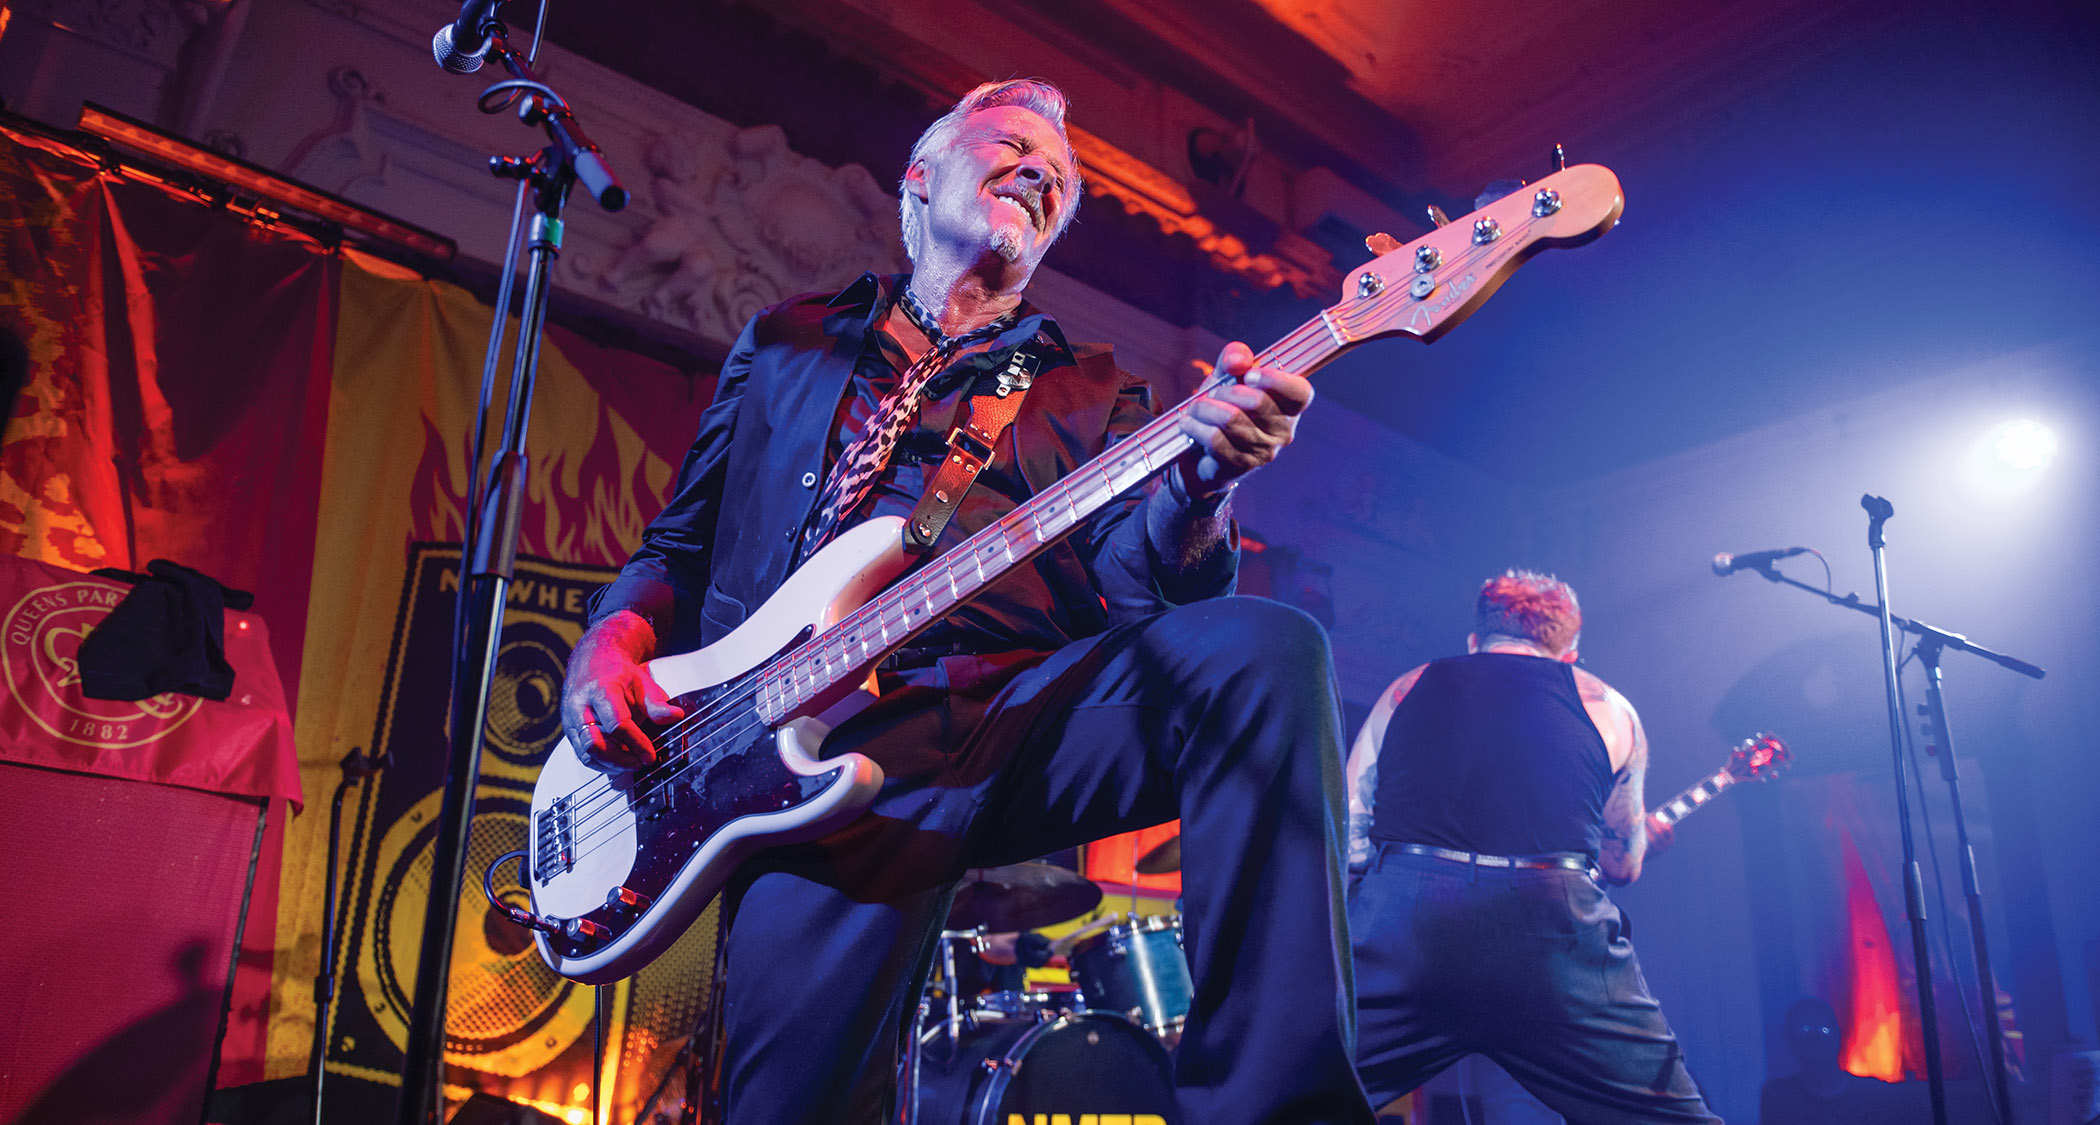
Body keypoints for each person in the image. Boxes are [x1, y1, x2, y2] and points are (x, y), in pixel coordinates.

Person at [560, 78, 1372, 1125]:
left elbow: (1140, 587)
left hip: (1002, 719)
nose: (1041, 172)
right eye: (1012, 145)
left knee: (1263, 658)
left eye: (1060, 177)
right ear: (922, 173)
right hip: (774, 750)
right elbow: (679, 542)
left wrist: (1202, 486)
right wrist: (611, 640)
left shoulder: (1092, 389)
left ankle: (1281, 1109)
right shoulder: (787, 341)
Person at [1345, 570, 1720, 1123]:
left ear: (1475, 641)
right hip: (1555, 931)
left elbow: (1348, 834)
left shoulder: (1407, 688)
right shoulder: (1610, 707)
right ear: (1570, 654)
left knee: (1279, 1100)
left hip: (1408, 921)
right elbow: (1622, 862)